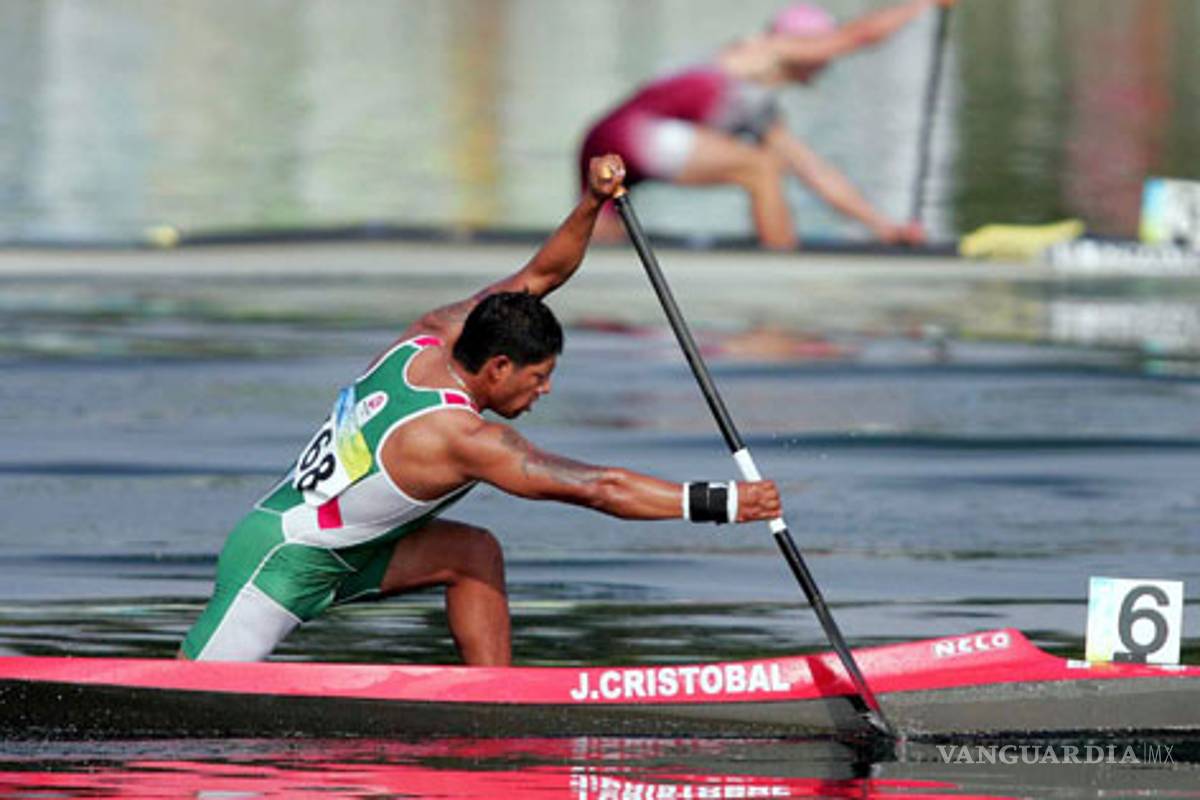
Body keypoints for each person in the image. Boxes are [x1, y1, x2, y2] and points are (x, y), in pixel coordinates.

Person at [179, 154, 782, 665]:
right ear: (498, 368)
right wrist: (725, 503)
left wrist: (593, 201)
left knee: (472, 554)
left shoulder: (435, 332)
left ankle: (493, 704)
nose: (543, 392)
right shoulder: (460, 437)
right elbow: (599, 488)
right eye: (538, 378)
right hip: (280, 560)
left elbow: (542, 272)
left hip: (349, 552)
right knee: (183, 711)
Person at [578, 0, 958, 250]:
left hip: (602, 141)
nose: (827, 62)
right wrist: (924, 5)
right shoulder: (766, 50)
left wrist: (885, 229)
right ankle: (781, 268)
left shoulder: (759, 109)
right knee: (761, 169)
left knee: (601, 248)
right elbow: (856, 37)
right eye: (821, 50)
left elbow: (815, 173)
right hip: (630, 135)